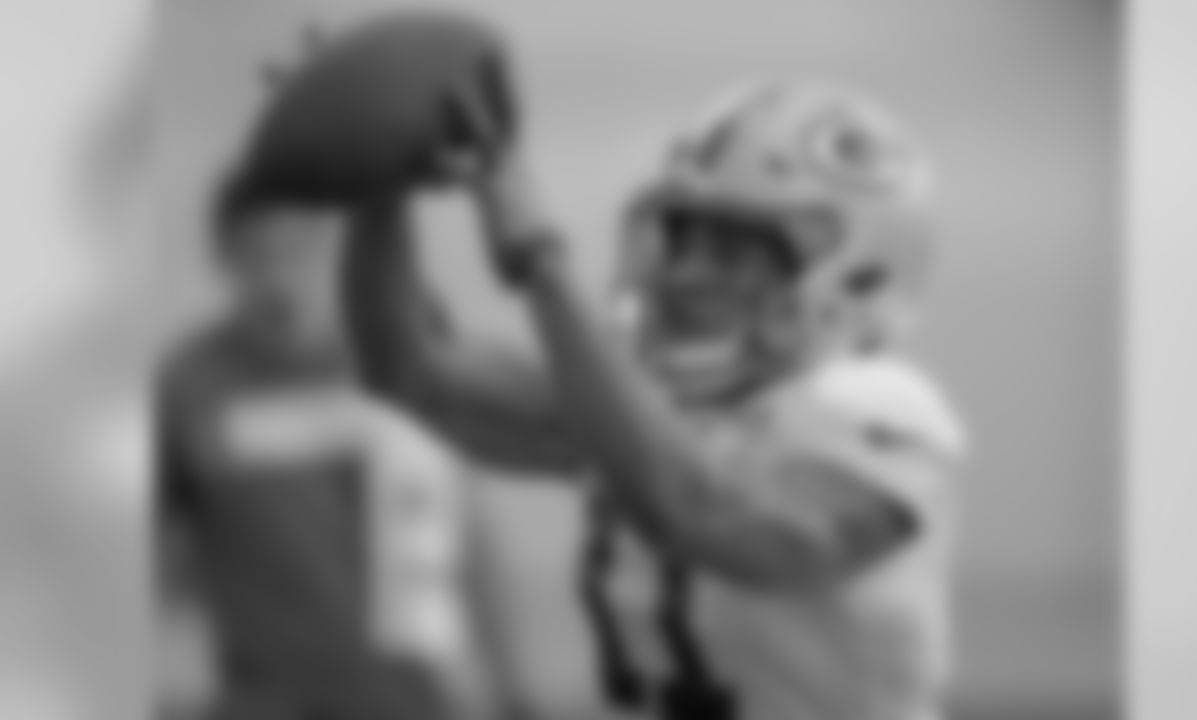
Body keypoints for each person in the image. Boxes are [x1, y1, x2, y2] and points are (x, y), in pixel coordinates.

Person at [344, 78, 968, 720]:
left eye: (732, 250)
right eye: (680, 236)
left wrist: (540, 259)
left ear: (858, 275)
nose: (684, 273)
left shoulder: (878, 405)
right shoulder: (657, 409)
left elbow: (720, 521)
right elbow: (412, 374)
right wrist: (377, 193)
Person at [156, 169, 491, 720]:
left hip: (410, 697)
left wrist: (513, 686)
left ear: (333, 247)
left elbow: (469, 541)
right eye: (256, 253)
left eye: (296, 249)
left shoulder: (399, 361)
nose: (278, 275)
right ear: (224, 257)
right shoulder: (188, 383)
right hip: (262, 699)